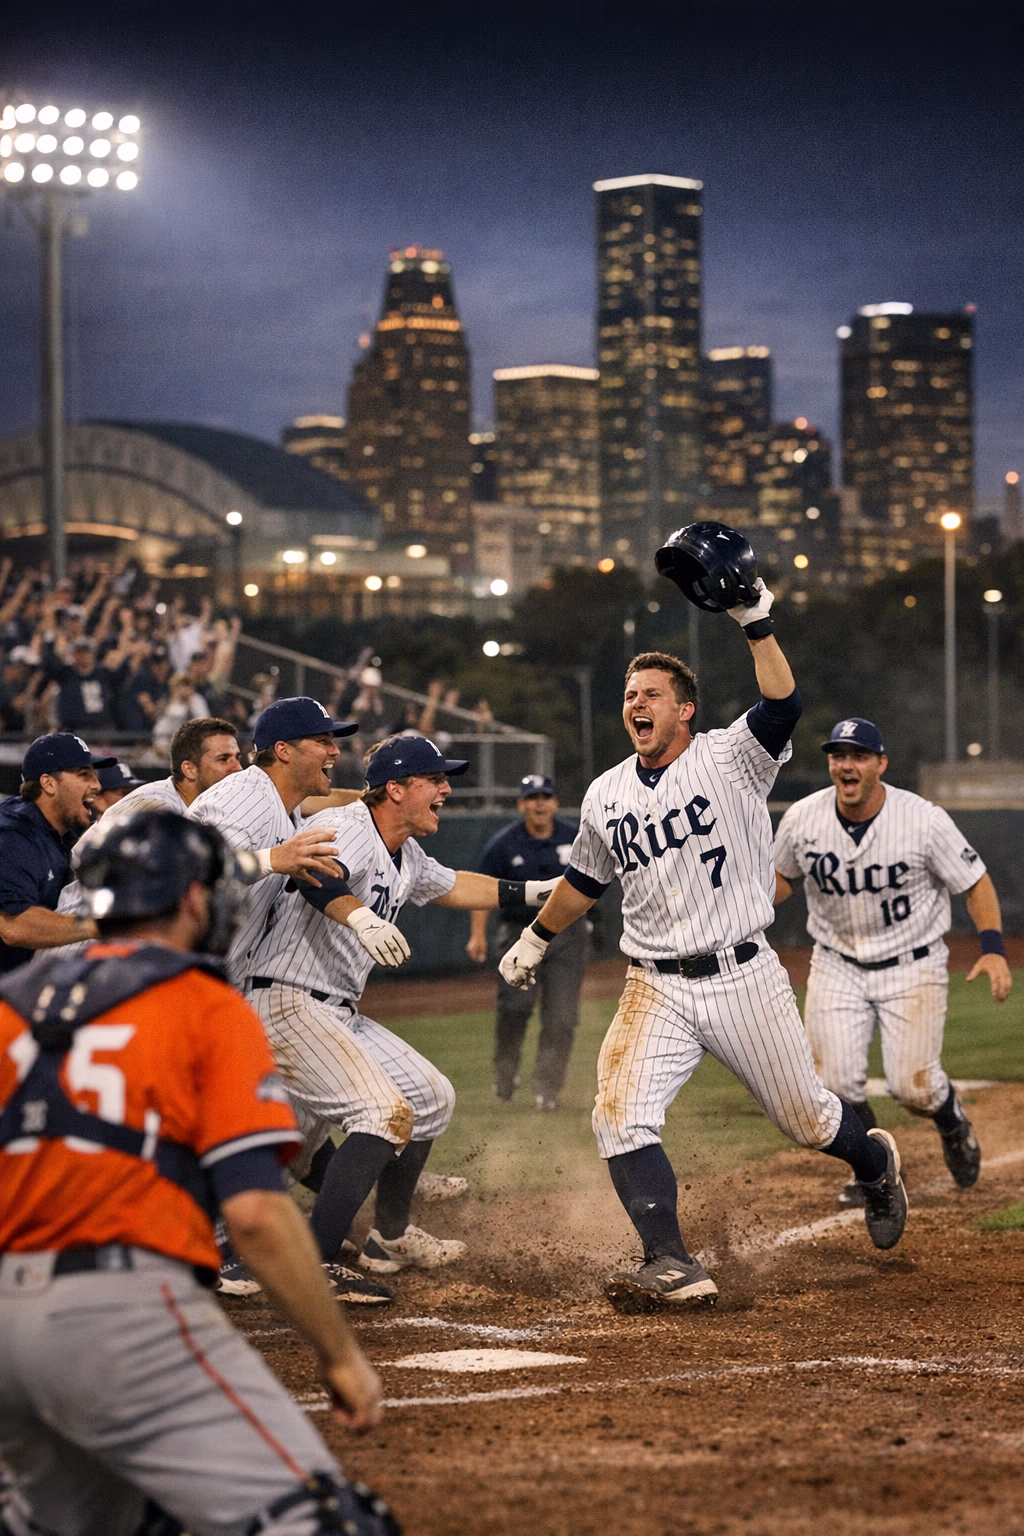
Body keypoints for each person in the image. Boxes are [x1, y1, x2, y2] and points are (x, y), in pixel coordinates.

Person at [499, 586, 910, 1315]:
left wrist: (756, 621)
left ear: (683, 709)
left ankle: (875, 1161)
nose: (636, 704)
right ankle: (670, 1260)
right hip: (653, 983)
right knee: (618, 1113)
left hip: (743, 975)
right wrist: (536, 937)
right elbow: (585, 880)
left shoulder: (730, 758)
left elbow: (784, 704)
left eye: (651, 693)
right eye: (630, 694)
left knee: (808, 1120)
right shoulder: (603, 794)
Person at [0, 811, 397, 1536]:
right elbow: (253, 1213)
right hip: (118, 1315)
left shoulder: (14, 1004)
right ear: (191, 901)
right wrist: (339, 1353)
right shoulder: (201, 1001)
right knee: (328, 1523)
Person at [237, 735, 558, 1292]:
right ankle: (314, 1265)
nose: (445, 790)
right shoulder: (353, 829)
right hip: (285, 1000)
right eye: (434, 780)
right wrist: (362, 918)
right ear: (395, 788)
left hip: (335, 1009)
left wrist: (537, 892)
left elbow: (455, 886)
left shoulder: (404, 851)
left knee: (431, 1099)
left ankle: (389, 1235)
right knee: (381, 1115)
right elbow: (314, 877)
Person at [773, 716, 1013, 1207]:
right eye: (838, 755)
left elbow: (976, 883)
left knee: (914, 1088)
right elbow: (780, 879)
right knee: (834, 1085)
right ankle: (875, 1170)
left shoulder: (922, 819)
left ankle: (951, 1120)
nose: (846, 764)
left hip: (913, 964)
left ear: (880, 764)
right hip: (837, 962)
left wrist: (992, 949)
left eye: (858, 755)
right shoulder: (802, 818)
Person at [468, 774, 587, 1110]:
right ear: (521, 804)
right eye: (532, 797)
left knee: (562, 1017)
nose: (539, 803)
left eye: (545, 796)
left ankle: (547, 1089)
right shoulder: (504, 842)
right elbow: (481, 890)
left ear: (554, 802)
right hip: (518, 932)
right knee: (515, 1008)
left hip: (566, 936)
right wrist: (478, 934)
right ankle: (505, 1074)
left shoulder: (573, 836)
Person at [0, 734, 115, 975]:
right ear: (49, 783)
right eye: (84, 775)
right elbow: (14, 927)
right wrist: (104, 925)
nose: (96, 785)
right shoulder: (12, 835)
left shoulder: (60, 831)